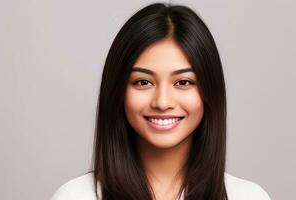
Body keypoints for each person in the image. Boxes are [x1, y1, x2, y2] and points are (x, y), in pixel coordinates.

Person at [51, 2, 271, 200]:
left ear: (210, 91)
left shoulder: (248, 196)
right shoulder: (76, 196)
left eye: (183, 82)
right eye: (143, 82)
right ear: (117, 91)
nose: (162, 102)